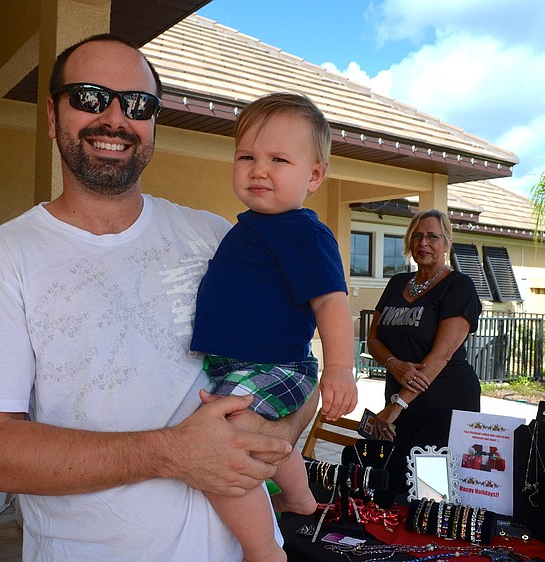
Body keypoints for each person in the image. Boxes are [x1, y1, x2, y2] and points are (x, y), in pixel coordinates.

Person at [0, 34, 316, 561]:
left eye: (138, 104)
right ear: (52, 115)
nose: (115, 119)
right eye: (89, 97)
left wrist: (275, 432)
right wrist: (172, 454)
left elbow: (296, 368)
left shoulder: (219, 239)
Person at [190, 92, 357, 562]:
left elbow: (332, 303)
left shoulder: (305, 232)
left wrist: (340, 369)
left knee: (223, 447)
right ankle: (301, 499)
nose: (258, 169)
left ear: (314, 175)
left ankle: (264, 549)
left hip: (276, 365)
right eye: (247, 156)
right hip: (237, 364)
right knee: (245, 438)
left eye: (278, 159)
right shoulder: (247, 229)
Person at [368, 209, 481, 485]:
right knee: (395, 484)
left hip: (444, 405)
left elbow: (441, 355)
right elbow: (373, 339)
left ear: (446, 243)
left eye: (432, 236)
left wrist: (396, 407)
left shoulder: (459, 286)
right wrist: (393, 364)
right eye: (417, 236)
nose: (423, 243)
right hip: (400, 401)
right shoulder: (397, 283)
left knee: (431, 491)